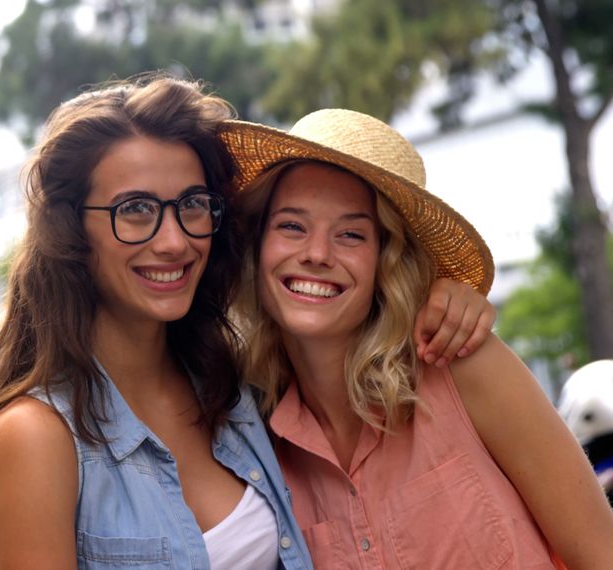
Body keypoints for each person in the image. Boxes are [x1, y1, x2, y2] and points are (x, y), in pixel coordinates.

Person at [0, 74, 494, 569]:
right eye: (136, 209)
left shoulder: (237, 387)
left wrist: (440, 298)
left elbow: (346, 330)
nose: (174, 241)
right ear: (71, 231)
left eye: (192, 204)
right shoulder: (35, 435)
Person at [225, 108, 613, 569]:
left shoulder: (463, 366)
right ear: (257, 243)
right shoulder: (251, 438)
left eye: (351, 234)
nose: (316, 254)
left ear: (386, 260)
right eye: (291, 226)